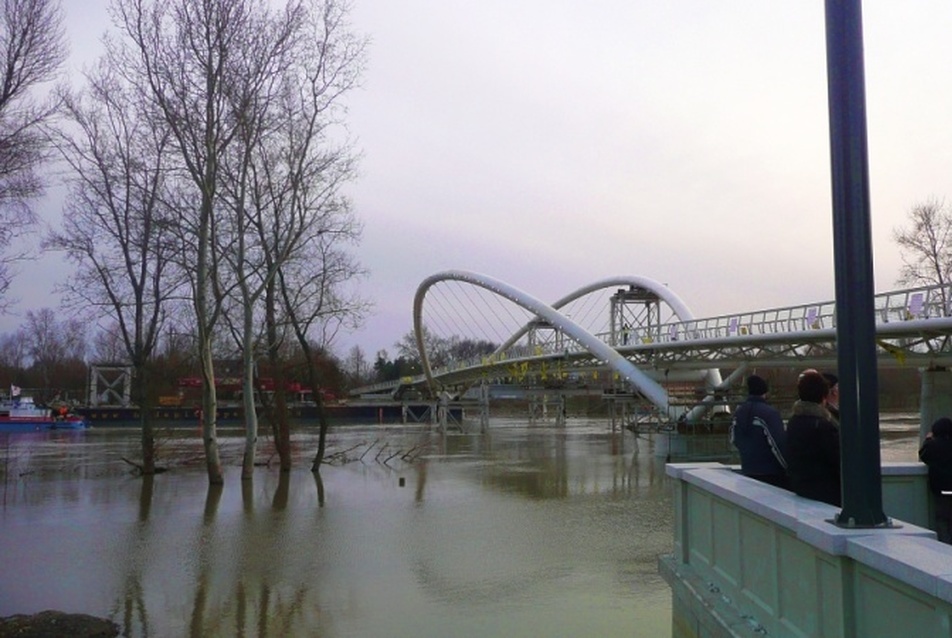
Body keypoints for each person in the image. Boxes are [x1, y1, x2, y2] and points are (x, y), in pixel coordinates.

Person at [785, 370, 841, 506]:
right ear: (823, 396)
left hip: (801, 489)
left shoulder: (794, 421)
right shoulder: (822, 425)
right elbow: (838, 459)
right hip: (826, 493)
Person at [729, 374, 788, 488]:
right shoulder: (770, 413)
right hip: (771, 475)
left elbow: (733, 438)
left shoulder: (739, 412)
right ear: (765, 392)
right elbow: (778, 444)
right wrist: (788, 468)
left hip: (747, 472)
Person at [918, 417, 952, 543]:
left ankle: (946, 549)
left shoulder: (933, 446)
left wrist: (927, 440)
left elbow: (923, 455)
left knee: (943, 520)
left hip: (942, 490)